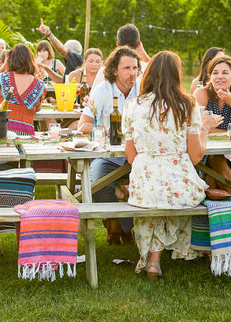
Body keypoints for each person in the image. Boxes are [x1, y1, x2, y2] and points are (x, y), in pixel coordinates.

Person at [124, 51, 220, 280]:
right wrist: (205, 130)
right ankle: (163, 258)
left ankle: (153, 259)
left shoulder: (132, 106)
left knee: (156, 194)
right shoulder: (187, 105)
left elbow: (130, 155)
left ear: (148, 74)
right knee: (173, 193)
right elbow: (196, 156)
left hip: (143, 182)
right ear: (177, 75)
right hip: (180, 181)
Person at [77, 46, 141, 244]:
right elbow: (84, 124)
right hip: (108, 157)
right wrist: (105, 129)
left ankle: (117, 228)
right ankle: (119, 223)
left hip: (138, 156)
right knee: (95, 183)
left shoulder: (143, 88)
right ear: (115, 70)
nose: (132, 73)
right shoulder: (103, 89)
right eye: (126, 68)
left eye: (135, 68)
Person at [192, 55, 231, 188]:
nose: (219, 76)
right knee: (216, 158)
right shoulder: (202, 93)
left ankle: (225, 195)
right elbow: (195, 128)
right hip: (204, 155)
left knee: (213, 182)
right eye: (215, 73)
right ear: (210, 77)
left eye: (225, 73)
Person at [0, 44, 47, 136]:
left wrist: (4, 66)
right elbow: (37, 109)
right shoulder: (40, 85)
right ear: (31, 61)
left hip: (2, 132)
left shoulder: (3, 78)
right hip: (26, 134)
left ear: (11, 60)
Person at [90, 23, 151, 89]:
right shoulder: (147, 70)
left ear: (118, 44)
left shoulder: (105, 71)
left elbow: (92, 98)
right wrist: (145, 55)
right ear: (139, 44)